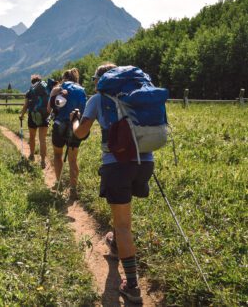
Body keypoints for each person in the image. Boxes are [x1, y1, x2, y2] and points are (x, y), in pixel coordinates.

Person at [69, 63, 154, 304]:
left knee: (124, 224)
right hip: (146, 161)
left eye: (96, 79)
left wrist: (75, 120)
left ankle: (133, 286)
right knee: (123, 215)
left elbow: (80, 134)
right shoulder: (137, 95)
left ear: (101, 80)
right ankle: (116, 242)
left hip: (117, 165)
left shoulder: (98, 98)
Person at [47, 68, 86, 199]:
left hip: (59, 126)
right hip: (75, 127)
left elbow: (49, 108)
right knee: (73, 159)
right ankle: (73, 189)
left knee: (58, 155)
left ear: (64, 77)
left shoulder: (58, 88)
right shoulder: (82, 90)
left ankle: (59, 183)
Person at [19, 74, 54, 169]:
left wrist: (21, 115)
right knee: (42, 140)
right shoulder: (46, 90)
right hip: (44, 116)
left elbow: (26, 105)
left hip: (33, 116)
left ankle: (32, 155)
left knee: (32, 137)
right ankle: (43, 161)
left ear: (32, 82)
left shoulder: (29, 91)